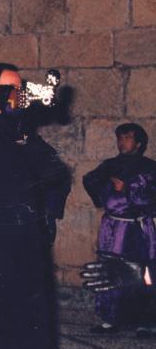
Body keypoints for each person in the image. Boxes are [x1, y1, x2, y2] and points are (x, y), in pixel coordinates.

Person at [0, 63, 66, 348]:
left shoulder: (19, 129)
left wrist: (25, 138)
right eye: (10, 89)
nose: (17, 96)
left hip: (22, 238)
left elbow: (53, 171)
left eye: (20, 90)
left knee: (27, 318)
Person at [83, 122, 156, 334]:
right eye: (120, 138)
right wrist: (106, 187)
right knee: (110, 271)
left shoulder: (150, 167)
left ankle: (146, 322)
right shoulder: (110, 165)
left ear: (139, 143)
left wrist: (128, 189)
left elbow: (151, 198)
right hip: (112, 227)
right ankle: (110, 319)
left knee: (141, 273)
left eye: (127, 138)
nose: (122, 142)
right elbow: (90, 180)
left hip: (136, 229)